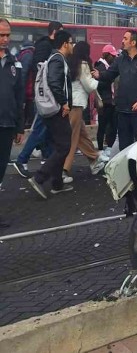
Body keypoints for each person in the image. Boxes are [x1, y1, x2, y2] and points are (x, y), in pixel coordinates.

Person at [28, 30, 74, 199]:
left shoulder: (54, 58)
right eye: (71, 42)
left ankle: (57, 184)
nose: (73, 45)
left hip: (51, 108)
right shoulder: (58, 60)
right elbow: (55, 82)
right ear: (65, 44)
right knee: (64, 146)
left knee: (59, 145)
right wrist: (64, 103)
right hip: (57, 109)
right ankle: (39, 177)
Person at [13, 21, 63, 178]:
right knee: (40, 128)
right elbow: (41, 70)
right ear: (54, 32)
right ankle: (22, 159)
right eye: (61, 32)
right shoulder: (45, 47)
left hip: (45, 95)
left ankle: (47, 161)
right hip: (45, 97)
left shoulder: (46, 46)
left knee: (46, 129)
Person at [91, 30, 137, 149]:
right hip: (122, 110)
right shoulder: (120, 60)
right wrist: (99, 75)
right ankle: (126, 167)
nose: (122, 41)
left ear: (133, 42)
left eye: (125, 38)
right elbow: (109, 75)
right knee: (124, 145)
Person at [62, 42, 107, 182]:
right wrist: (98, 80)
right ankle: (64, 170)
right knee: (74, 138)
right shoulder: (83, 64)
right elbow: (88, 85)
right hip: (77, 104)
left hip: (70, 103)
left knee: (82, 135)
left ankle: (94, 160)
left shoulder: (71, 62)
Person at [0, 19, 25, 226]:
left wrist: (19, 126)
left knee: (1, 170)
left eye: (7, 35)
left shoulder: (14, 62)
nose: (5, 39)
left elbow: (19, 96)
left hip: (7, 125)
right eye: (1, 35)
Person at [96, 45, 117, 153]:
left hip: (112, 101)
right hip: (104, 101)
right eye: (112, 55)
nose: (114, 58)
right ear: (106, 55)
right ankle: (100, 149)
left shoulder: (112, 67)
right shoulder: (99, 67)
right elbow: (98, 84)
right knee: (102, 126)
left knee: (113, 126)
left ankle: (109, 147)